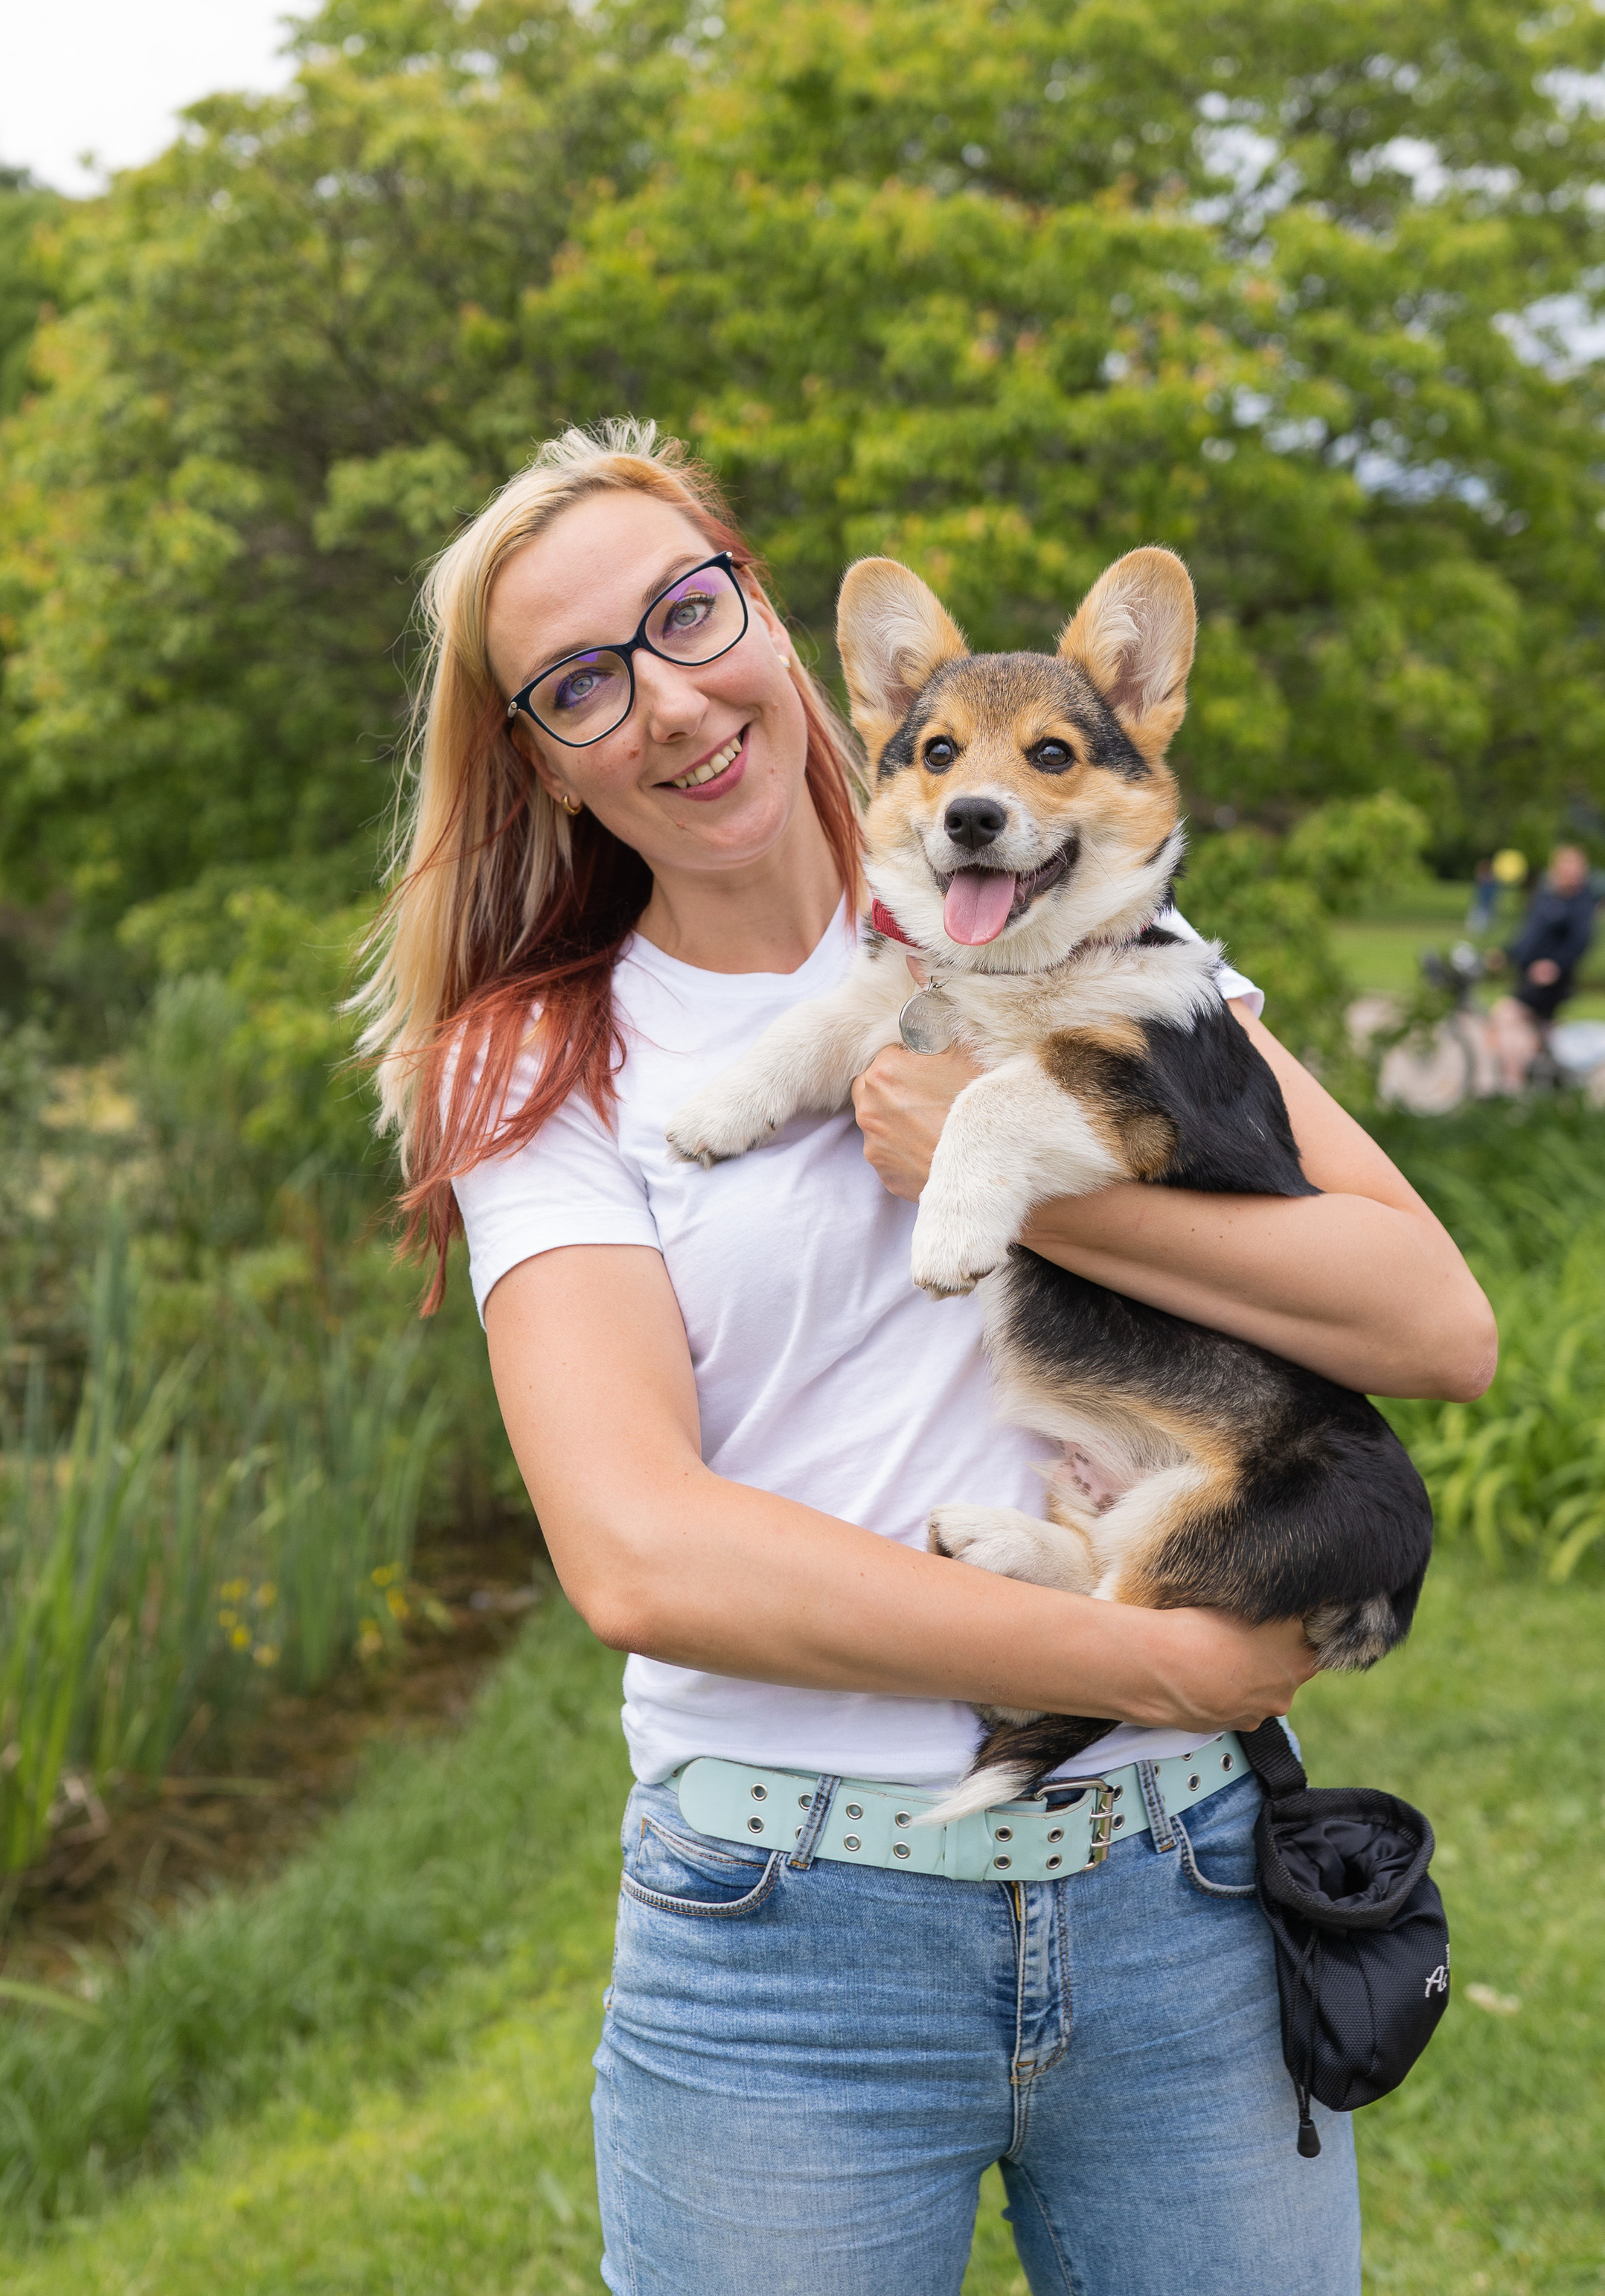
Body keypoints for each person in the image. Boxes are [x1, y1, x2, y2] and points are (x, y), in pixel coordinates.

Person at [359, 422, 1496, 2296]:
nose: (661, 697)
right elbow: (639, 1553)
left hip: (1180, 1891)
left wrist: (1025, 1176)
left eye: (681, 611)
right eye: (578, 681)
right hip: (784, 1931)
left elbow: (1424, 1319)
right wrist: (1148, 1656)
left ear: (774, 626)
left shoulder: (1087, 924)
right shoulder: (537, 1062)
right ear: (544, 764)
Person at [1488, 845, 1596, 1091]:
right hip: (1528, 977)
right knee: (1529, 1031)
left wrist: (1555, 965)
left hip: (1551, 982)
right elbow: (1528, 936)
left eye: (1575, 867)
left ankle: (1512, 1083)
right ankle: (1540, 1072)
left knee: (1505, 1014)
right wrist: (1505, 954)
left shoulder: (1580, 903)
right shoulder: (1546, 896)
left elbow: (1580, 943)